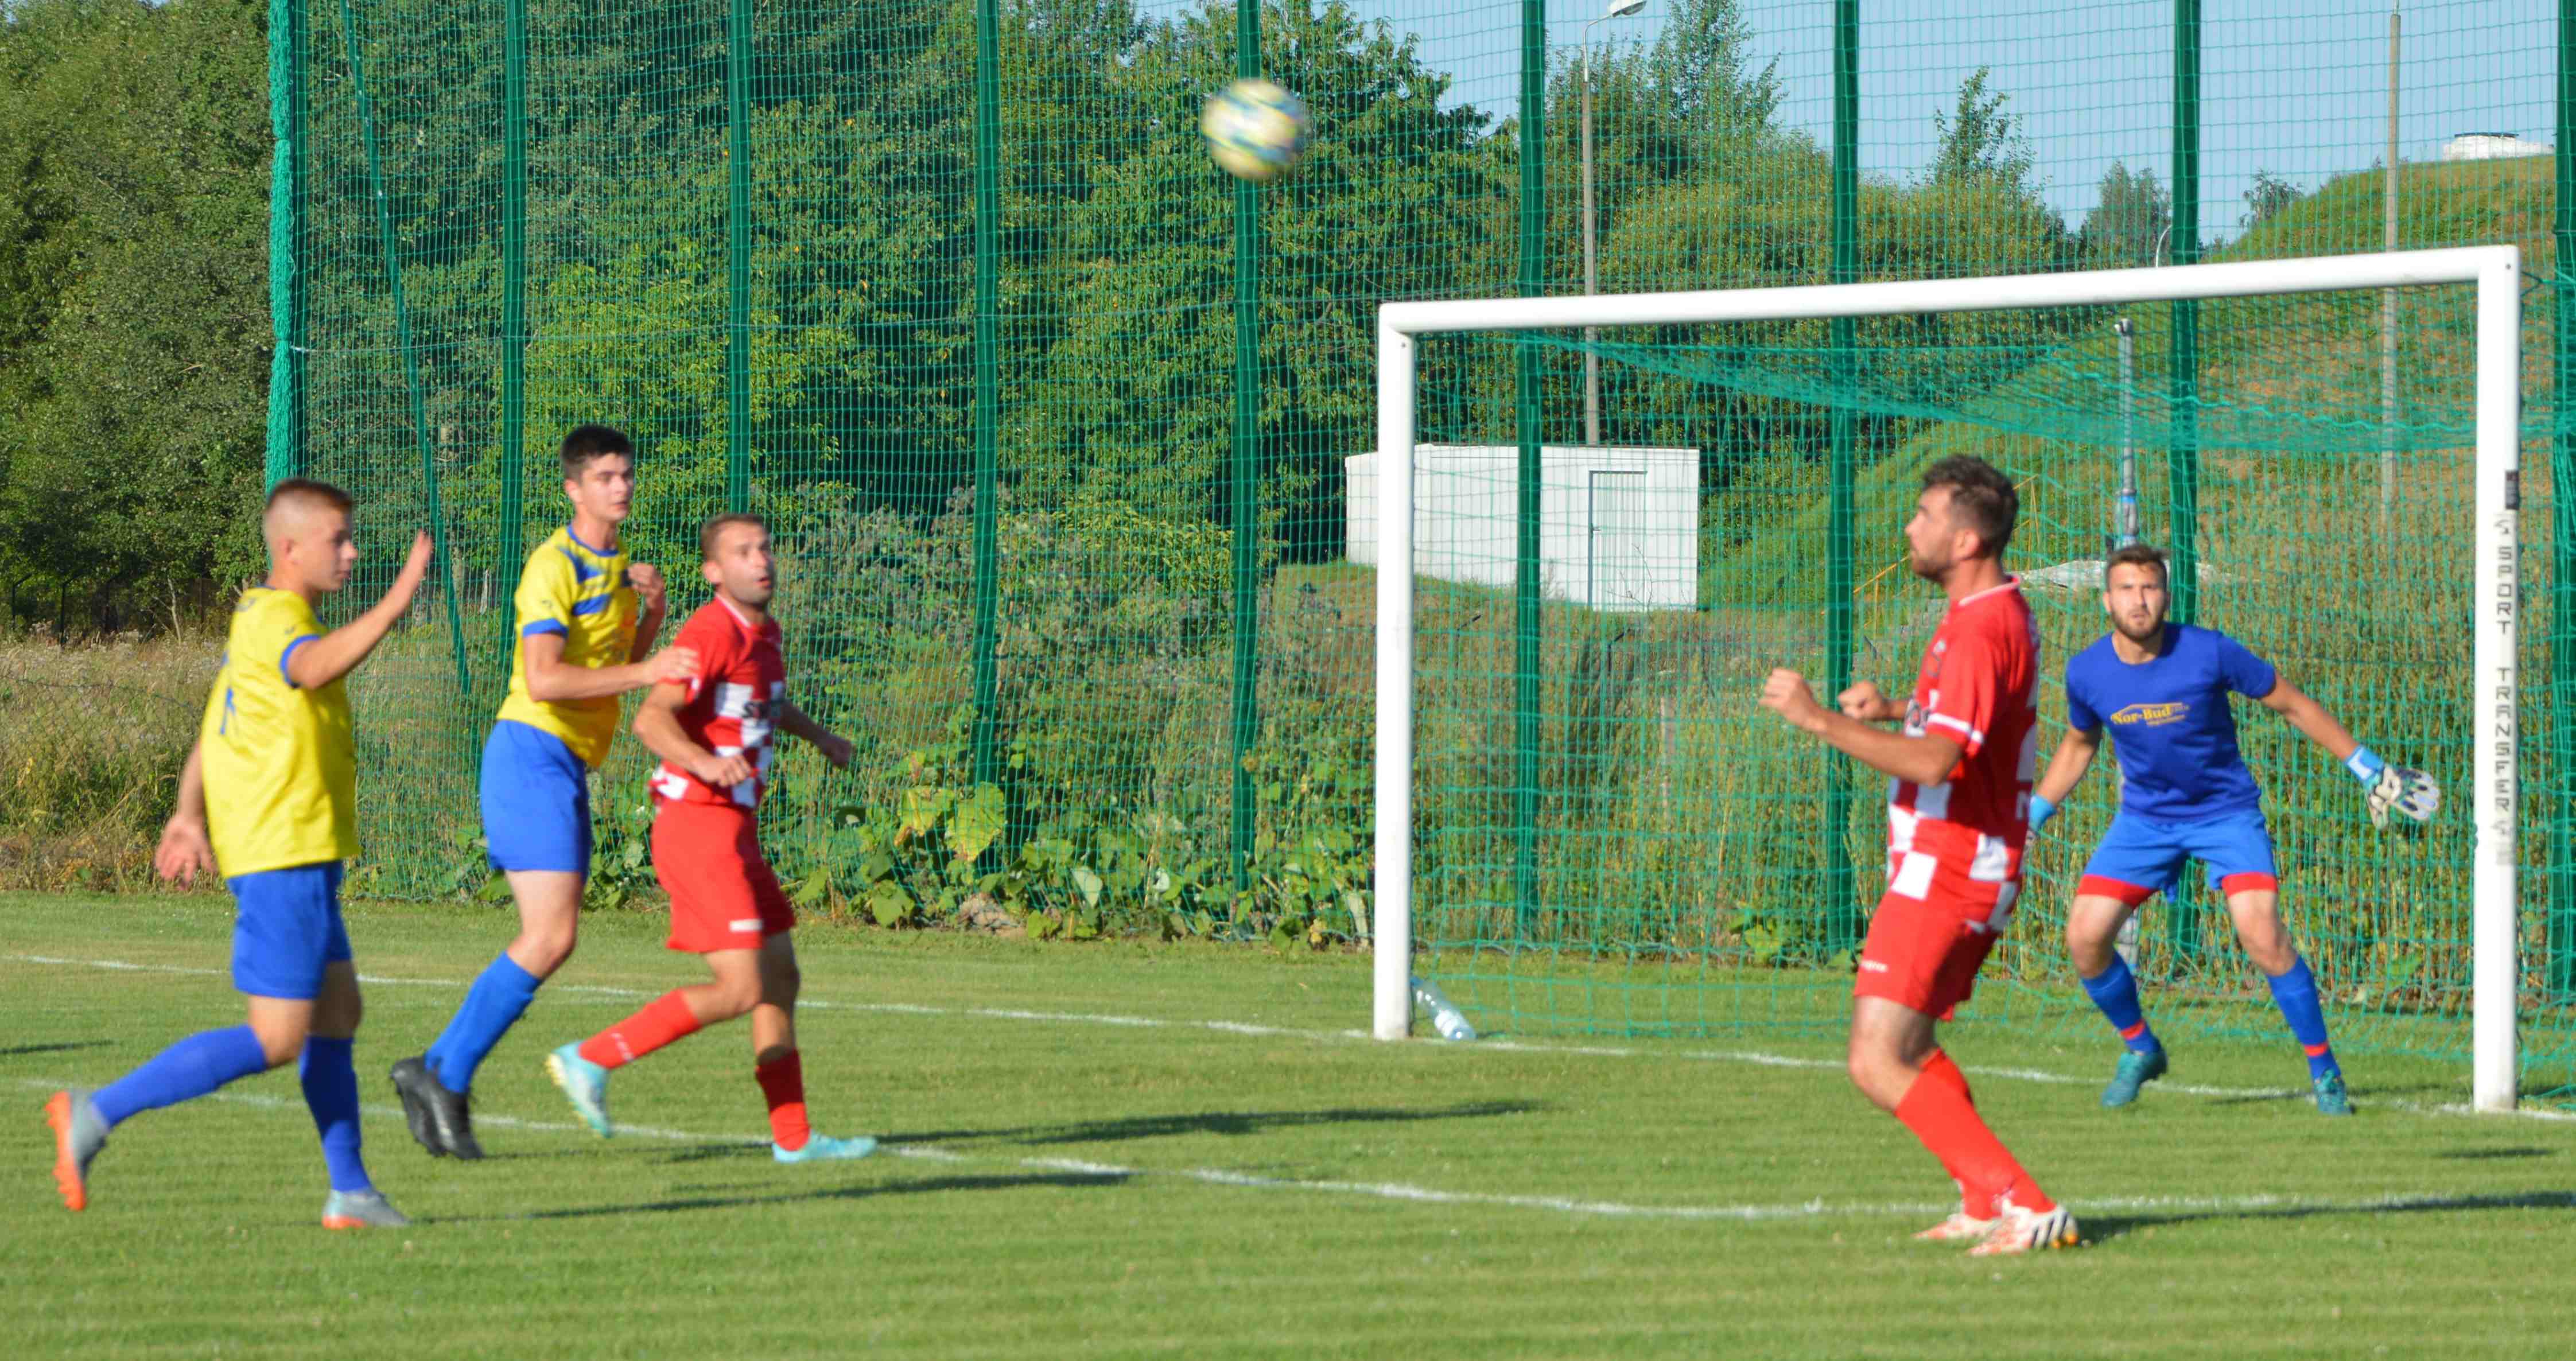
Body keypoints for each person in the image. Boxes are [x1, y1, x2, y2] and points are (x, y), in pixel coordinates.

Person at [46, 480, 431, 1227]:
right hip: (281, 856)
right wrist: (396, 601)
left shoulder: (258, 619)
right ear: (290, 549)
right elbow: (315, 668)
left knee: (338, 1015)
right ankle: (95, 1112)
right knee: (279, 1037)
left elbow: (215, 723)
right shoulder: (281, 621)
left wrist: (187, 812)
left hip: (307, 853)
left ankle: (350, 1192)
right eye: (339, 541)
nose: (352, 554)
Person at [1759, 455, 2074, 1257]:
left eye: (1925, 514)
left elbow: (1939, 763)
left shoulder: (1980, 625)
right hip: (1956, 860)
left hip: (1952, 865)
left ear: (1965, 539)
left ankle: (2027, 1204)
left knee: (1873, 1061)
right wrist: (1895, 708)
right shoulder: (1988, 612)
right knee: (1909, 1047)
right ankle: (1982, 1200)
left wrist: (1819, 721)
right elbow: (1967, 723)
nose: (1910, 527)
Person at [2028, 540, 2438, 1114]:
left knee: (2262, 935)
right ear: (2106, 600)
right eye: (2126, 588)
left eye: (2149, 587)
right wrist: (2034, 816)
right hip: (2144, 821)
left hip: (2225, 814)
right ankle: (2140, 1047)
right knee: (2084, 937)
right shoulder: (2087, 671)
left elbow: (2291, 703)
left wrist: (2365, 766)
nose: (2138, 599)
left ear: (2166, 596)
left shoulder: (2208, 651)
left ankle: (2324, 1071)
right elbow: (2078, 744)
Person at [391, 425, 696, 1158]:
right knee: (551, 935)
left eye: (625, 474)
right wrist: (647, 672)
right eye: (604, 477)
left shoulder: (616, 564)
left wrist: (651, 614)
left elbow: (615, 661)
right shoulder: (551, 565)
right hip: (529, 752)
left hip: (562, 762)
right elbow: (546, 678)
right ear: (573, 488)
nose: (619, 486)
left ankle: (434, 1070)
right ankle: (444, 1073)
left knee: (553, 937)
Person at [542, 513, 876, 1163]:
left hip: (736, 830)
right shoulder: (709, 630)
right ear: (713, 571)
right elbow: (651, 718)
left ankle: (795, 1140)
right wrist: (701, 762)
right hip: (697, 825)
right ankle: (590, 1056)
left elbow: (764, 704)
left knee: (779, 978)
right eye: (743, 552)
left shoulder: (765, 633)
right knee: (742, 986)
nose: (762, 560)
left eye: (766, 547)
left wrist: (820, 737)